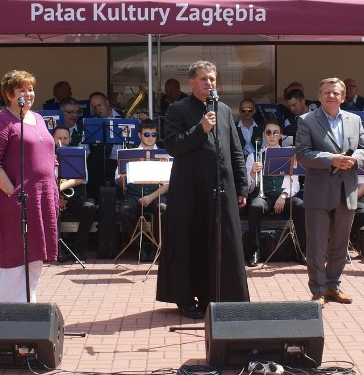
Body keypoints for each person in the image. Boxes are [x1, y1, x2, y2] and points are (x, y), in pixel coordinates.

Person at [156, 60, 249, 320]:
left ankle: (219, 296)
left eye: (212, 79)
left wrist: (242, 185)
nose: (209, 83)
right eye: (204, 79)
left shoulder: (224, 110)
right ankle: (186, 298)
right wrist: (201, 129)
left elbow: (235, 150)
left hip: (222, 187)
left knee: (223, 241)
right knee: (190, 241)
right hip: (190, 188)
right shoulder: (178, 109)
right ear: (192, 82)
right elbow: (174, 145)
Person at [0, 70, 59, 302]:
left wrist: (54, 184)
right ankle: (7, 319)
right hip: (15, 201)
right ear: (9, 94)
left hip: (41, 198)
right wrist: (13, 194)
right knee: (15, 261)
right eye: (22, 90)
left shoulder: (37, 119)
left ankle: (28, 311)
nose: (28, 94)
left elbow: (50, 155)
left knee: (35, 259)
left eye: (30, 89)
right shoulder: (0, 122)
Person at [295, 77, 364, 307]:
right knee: (317, 245)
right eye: (326, 92)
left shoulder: (355, 120)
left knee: (340, 244)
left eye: (336, 93)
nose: (331, 96)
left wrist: (354, 160)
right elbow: (303, 154)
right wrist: (333, 160)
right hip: (319, 191)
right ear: (318, 96)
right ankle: (317, 290)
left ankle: (333, 287)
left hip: (346, 190)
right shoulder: (306, 120)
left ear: (343, 97)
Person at [243, 119, 306, 266]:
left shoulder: (290, 154)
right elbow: (248, 188)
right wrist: (252, 173)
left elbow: (295, 184)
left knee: (300, 205)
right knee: (255, 207)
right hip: (263, 196)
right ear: (264, 135)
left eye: (275, 132)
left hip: (282, 196)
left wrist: (283, 196)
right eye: (269, 132)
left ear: (280, 136)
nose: (272, 136)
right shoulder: (254, 156)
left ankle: (302, 249)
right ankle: (255, 250)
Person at [115, 119, 169, 261]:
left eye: (154, 135)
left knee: (163, 208)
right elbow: (119, 182)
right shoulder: (129, 154)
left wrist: (151, 197)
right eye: (147, 134)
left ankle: (157, 246)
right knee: (123, 210)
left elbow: (169, 183)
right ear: (139, 135)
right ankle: (139, 247)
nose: (151, 138)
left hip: (155, 195)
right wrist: (123, 176)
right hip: (134, 195)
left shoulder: (165, 154)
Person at [53, 125, 97, 263]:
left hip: (72, 197)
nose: (63, 141)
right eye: (59, 138)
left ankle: (79, 250)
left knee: (89, 208)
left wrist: (60, 188)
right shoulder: (47, 154)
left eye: (65, 138)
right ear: (53, 139)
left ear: (70, 138)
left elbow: (82, 178)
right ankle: (54, 250)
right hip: (51, 197)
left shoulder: (77, 154)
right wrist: (55, 194)